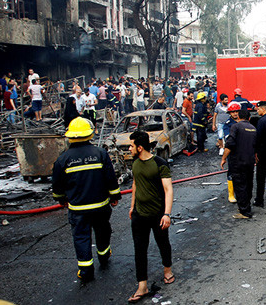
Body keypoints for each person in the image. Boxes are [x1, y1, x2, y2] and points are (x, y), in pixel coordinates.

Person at [51, 117, 121, 282]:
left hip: (78, 209)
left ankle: (85, 271)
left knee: (81, 237)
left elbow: (57, 185)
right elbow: (110, 178)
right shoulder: (100, 154)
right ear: (89, 134)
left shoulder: (63, 159)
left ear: (70, 136)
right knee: (103, 231)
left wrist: (62, 200)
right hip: (101, 206)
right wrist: (115, 196)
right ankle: (104, 255)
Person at [127, 131, 174, 303]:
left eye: (131, 146)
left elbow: (168, 189)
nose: (129, 148)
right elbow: (135, 184)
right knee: (139, 250)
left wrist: (167, 214)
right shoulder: (135, 163)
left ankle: (167, 270)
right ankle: (142, 286)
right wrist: (132, 206)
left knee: (163, 243)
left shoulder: (160, 163)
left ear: (140, 147)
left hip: (158, 215)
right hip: (139, 214)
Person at [220, 106, 257, 219]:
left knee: (239, 186)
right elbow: (256, 146)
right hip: (249, 162)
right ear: (249, 118)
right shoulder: (253, 128)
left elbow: (229, 144)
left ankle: (244, 212)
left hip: (237, 162)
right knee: (248, 184)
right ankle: (246, 206)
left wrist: (223, 158)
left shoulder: (235, 126)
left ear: (239, 117)